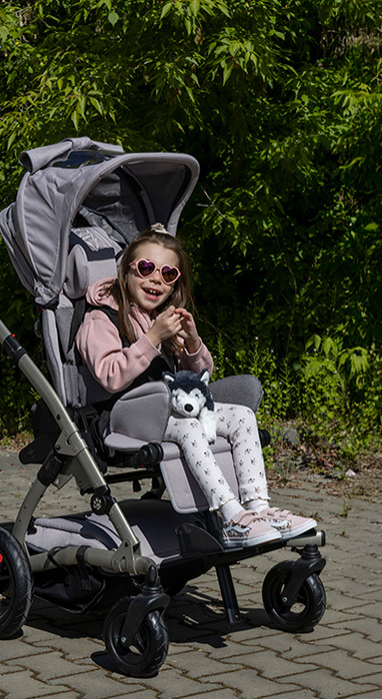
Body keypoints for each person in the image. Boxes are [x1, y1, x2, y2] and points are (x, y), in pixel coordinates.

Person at [76, 224, 315, 547]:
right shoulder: (102, 317)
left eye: (168, 274)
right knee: (189, 425)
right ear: (126, 272)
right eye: (146, 268)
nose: (156, 279)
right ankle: (231, 516)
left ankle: (258, 507)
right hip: (125, 417)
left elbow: (198, 380)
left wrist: (191, 342)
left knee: (242, 415)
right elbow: (110, 375)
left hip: (170, 410)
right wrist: (152, 338)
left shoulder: (162, 317)